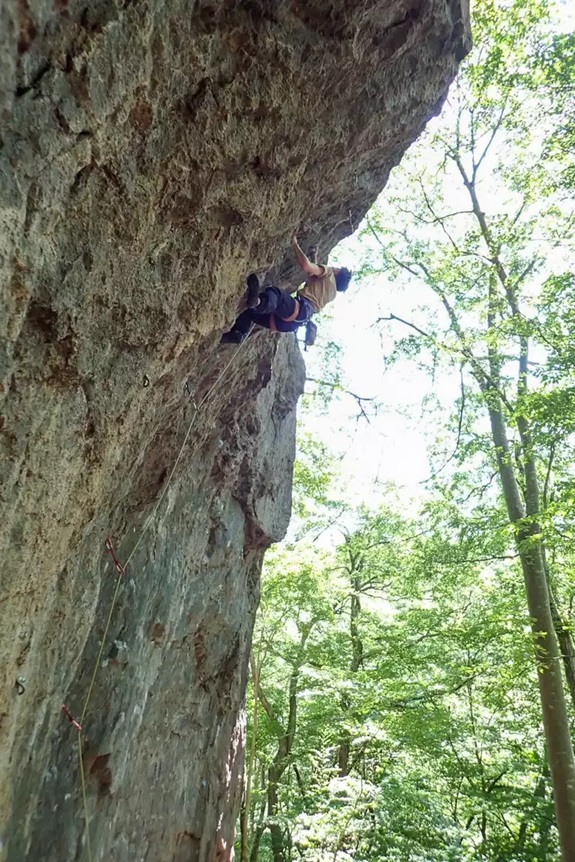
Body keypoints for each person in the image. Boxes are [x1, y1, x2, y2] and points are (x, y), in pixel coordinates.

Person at [220, 234, 352, 344]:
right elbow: (312, 276)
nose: (335, 267)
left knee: (274, 294)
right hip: (289, 324)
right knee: (249, 311)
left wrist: (294, 244)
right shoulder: (331, 293)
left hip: (296, 309)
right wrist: (314, 255)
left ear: (338, 272)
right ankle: (238, 333)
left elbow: (307, 267)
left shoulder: (329, 273)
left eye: (338, 268)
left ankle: (258, 302)